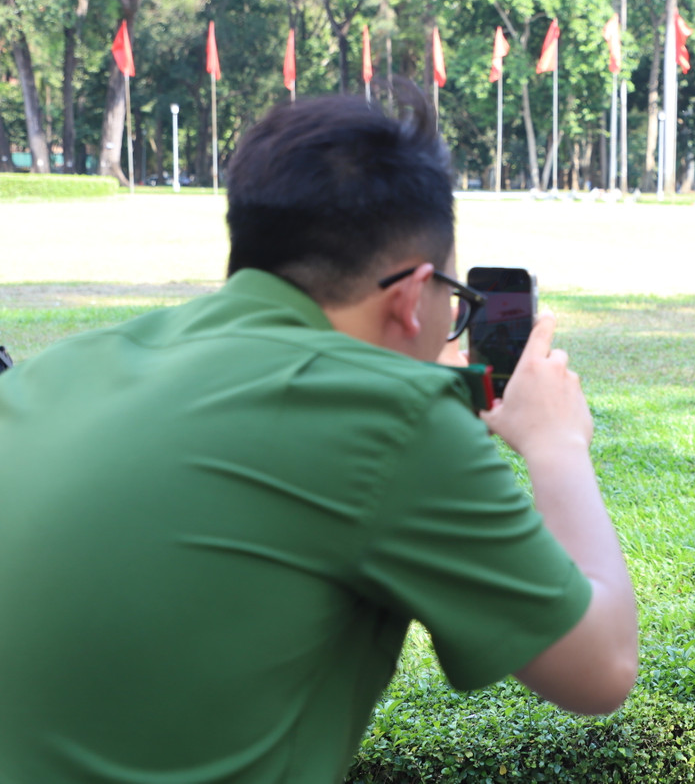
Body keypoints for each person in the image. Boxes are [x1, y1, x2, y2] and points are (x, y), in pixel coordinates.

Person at [0, 83, 638, 784]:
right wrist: (557, 444)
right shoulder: (395, 416)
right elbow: (600, 667)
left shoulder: (53, 374)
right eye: (450, 302)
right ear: (409, 297)